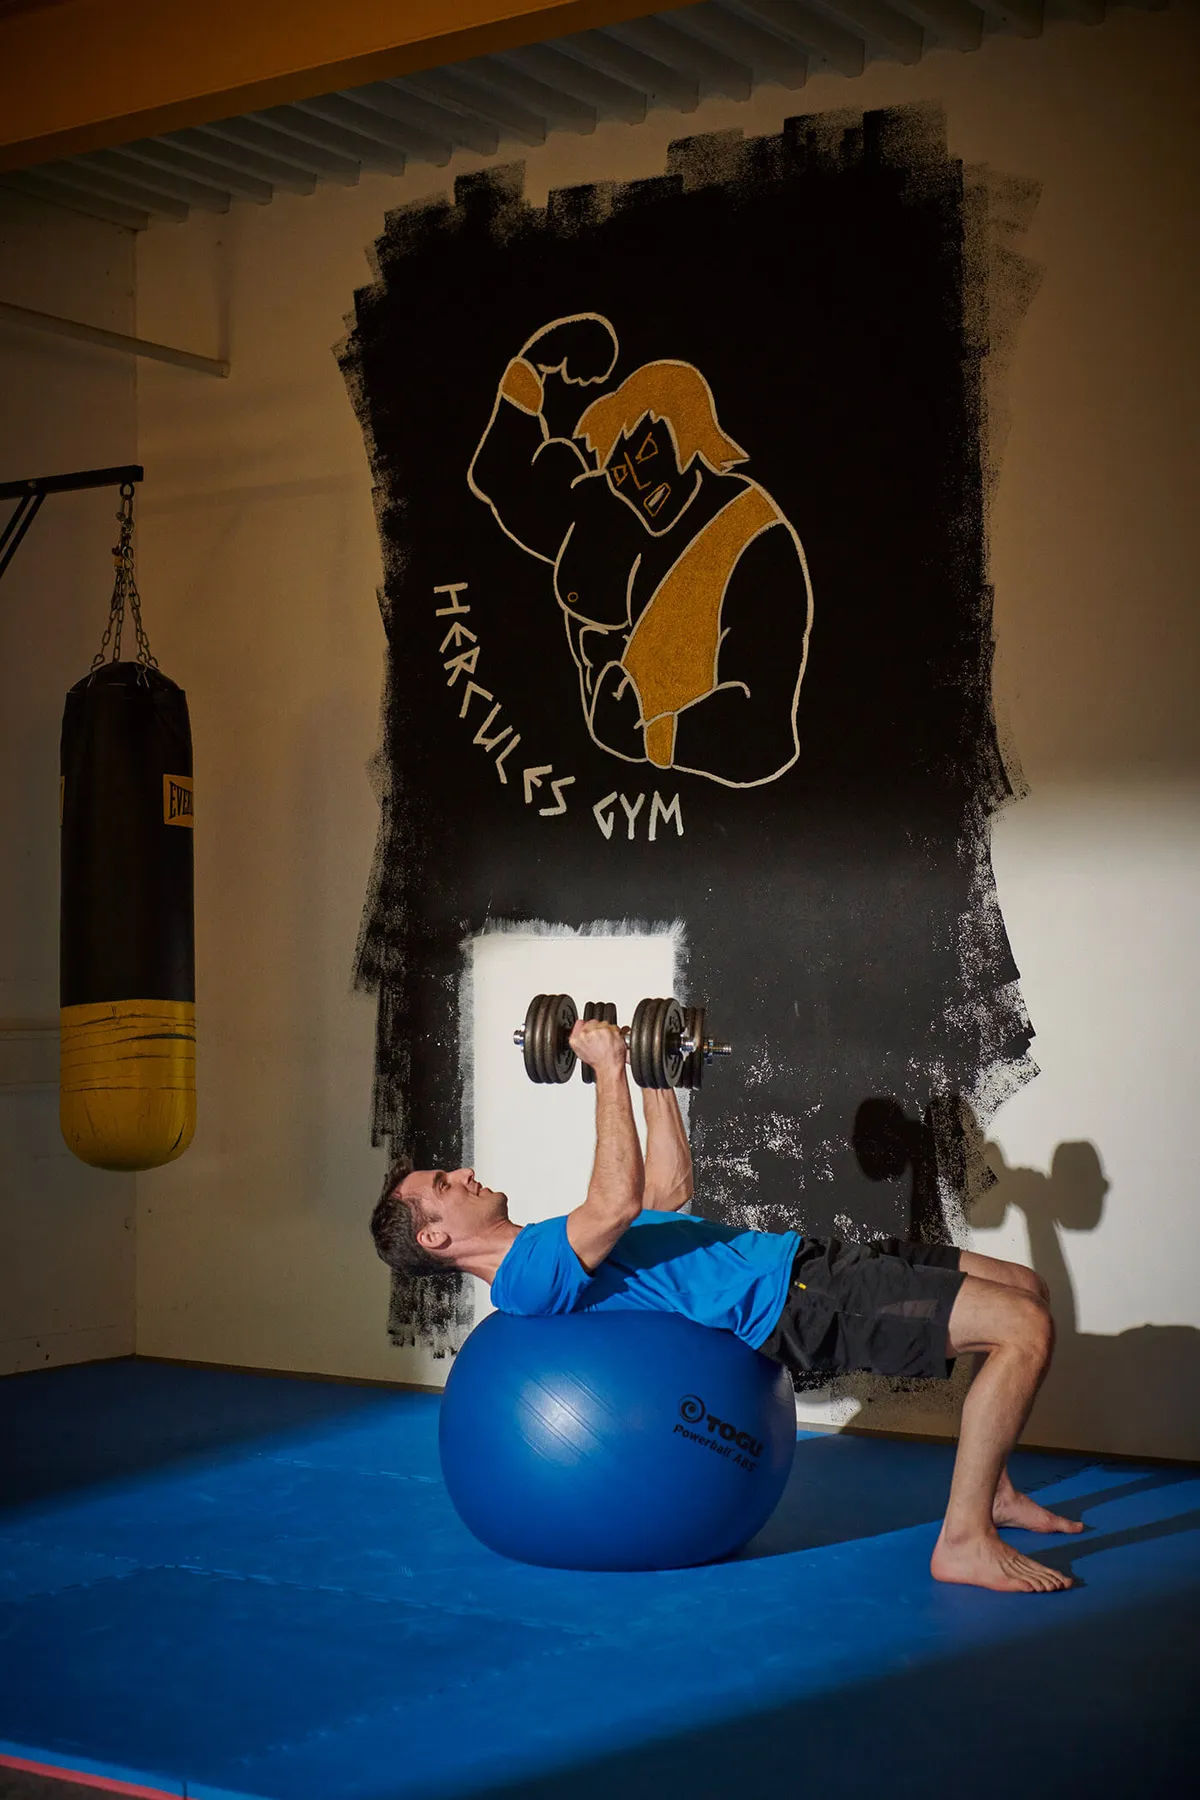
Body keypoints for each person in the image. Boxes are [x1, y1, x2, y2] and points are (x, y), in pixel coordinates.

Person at [371, 1016, 1082, 1593]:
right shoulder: (525, 1276)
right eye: (443, 1182)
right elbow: (616, 1201)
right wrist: (608, 1069)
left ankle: (996, 1491)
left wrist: (651, 1072)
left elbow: (667, 1194)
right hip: (800, 1304)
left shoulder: (556, 1240)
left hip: (806, 1262)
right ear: (434, 1236)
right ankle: (962, 1539)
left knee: (1024, 1288)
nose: (462, 1172)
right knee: (1024, 1329)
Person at [467, 313, 813, 788]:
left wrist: (654, 738)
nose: (635, 480)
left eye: (650, 455)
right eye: (621, 466)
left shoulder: (753, 539)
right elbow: (509, 483)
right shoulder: (606, 507)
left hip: (709, 808)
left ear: (692, 442)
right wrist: (530, 372)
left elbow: (766, 731)